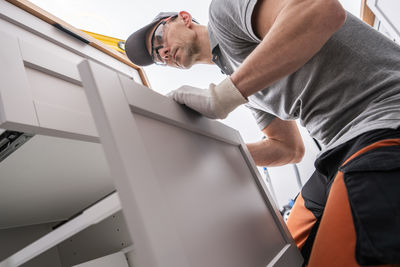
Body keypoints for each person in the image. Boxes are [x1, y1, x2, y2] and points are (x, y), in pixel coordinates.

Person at [124, 0, 400, 266]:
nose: (161, 52)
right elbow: (287, 148)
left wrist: (222, 98)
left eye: (159, 37)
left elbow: (321, 10)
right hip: (338, 148)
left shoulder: (224, 12)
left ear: (184, 18)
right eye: (156, 56)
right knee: (286, 250)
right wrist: (212, 148)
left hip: (385, 113)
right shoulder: (243, 79)